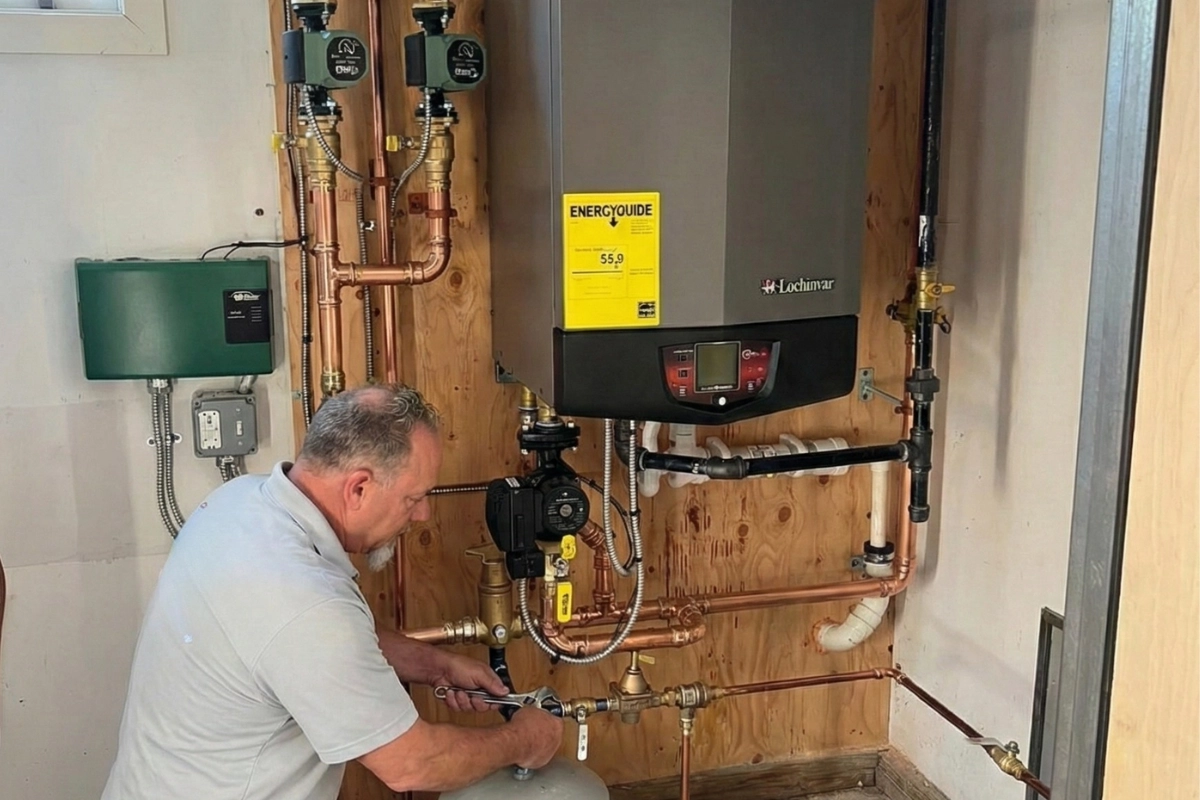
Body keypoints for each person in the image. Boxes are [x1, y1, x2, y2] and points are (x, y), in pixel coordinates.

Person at [102, 384, 563, 799]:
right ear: (358, 487)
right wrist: (523, 741)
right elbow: (410, 764)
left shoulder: (239, 502)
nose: (421, 514)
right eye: (412, 497)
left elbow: (297, 641)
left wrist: (435, 665)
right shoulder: (305, 601)